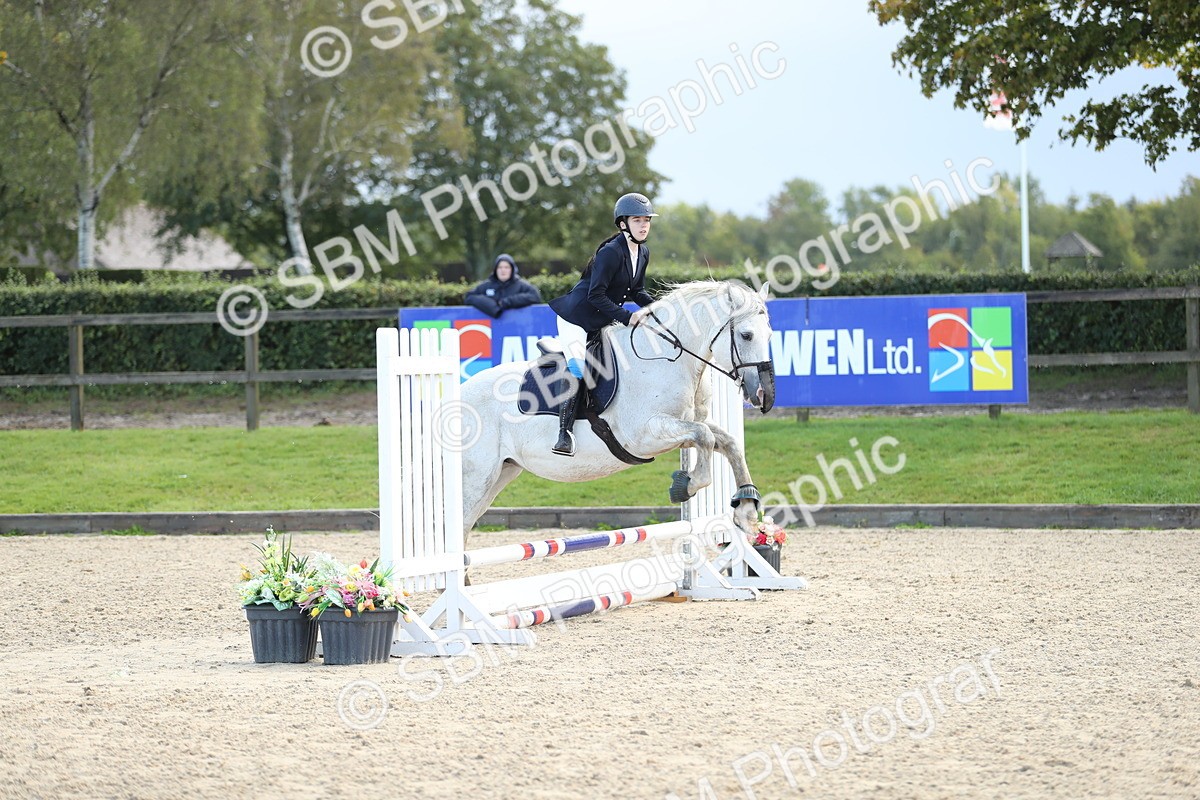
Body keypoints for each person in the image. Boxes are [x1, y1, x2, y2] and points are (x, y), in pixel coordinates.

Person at [546, 192, 658, 456]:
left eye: (647, 220)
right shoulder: (610, 252)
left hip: (601, 319)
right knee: (578, 367)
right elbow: (595, 295)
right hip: (577, 318)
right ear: (623, 224)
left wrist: (658, 308)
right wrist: (628, 317)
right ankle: (564, 434)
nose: (644, 225)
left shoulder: (643, 252)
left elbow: (636, 290)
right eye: (637, 220)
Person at [464, 254, 542, 318]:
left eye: (506, 267)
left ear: (512, 269)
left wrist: (507, 302)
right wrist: (493, 306)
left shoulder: (521, 285)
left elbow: (535, 296)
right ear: (495, 270)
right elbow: (469, 296)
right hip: (491, 328)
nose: (503, 270)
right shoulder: (487, 285)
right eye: (500, 267)